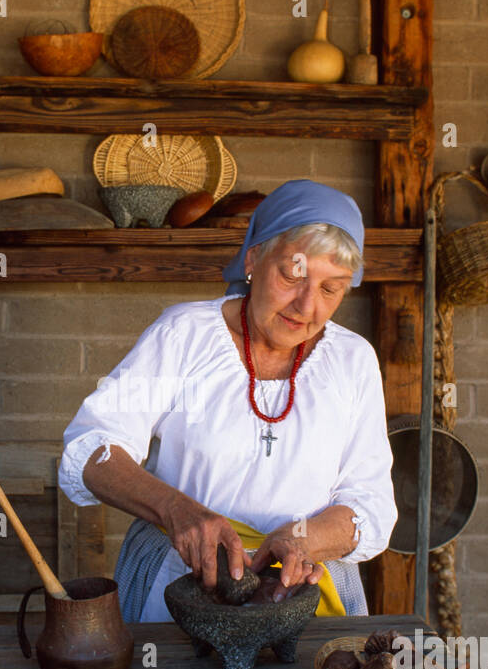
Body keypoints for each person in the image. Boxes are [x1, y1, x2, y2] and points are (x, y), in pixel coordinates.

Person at [57, 179, 397, 622]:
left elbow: (370, 502)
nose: (306, 304)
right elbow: (92, 449)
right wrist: (178, 511)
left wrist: (303, 539)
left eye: (330, 289)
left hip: (305, 596)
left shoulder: (353, 361)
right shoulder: (184, 335)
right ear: (254, 258)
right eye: (292, 275)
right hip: (179, 584)